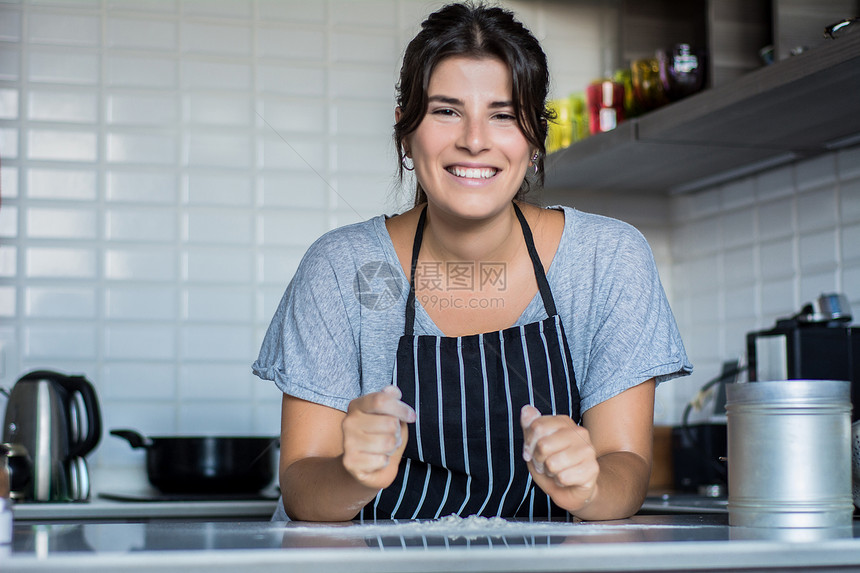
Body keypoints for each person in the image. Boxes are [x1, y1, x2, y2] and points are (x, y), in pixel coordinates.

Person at [253, 1, 691, 523]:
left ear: (534, 137)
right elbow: (303, 483)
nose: (475, 141)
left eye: (503, 115)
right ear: (405, 131)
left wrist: (591, 487)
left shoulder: (608, 259)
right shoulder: (338, 266)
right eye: (446, 110)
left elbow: (628, 466)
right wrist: (352, 475)